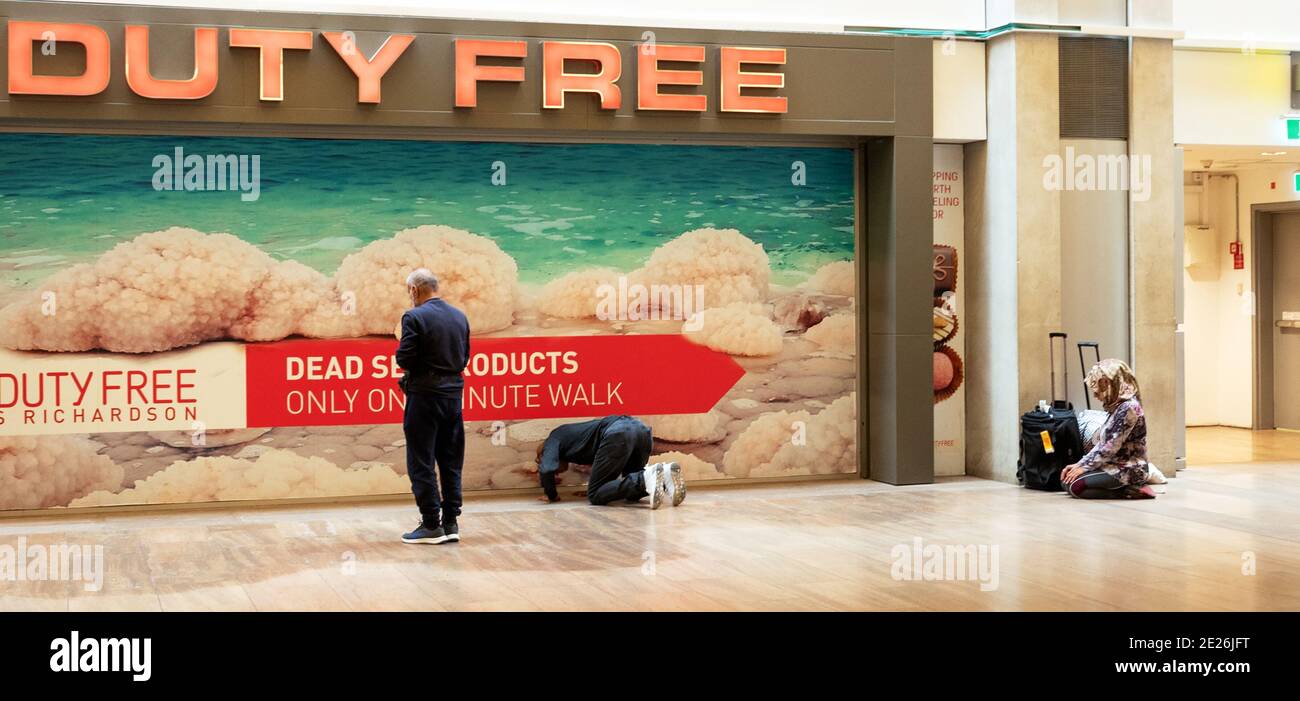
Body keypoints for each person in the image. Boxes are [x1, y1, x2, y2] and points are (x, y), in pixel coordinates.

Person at [395, 268, 471, 544]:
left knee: (421, 460)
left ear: (415, 290)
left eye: (409, 291)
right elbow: (464, 358)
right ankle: (451, 523)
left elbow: (405, 358)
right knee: (451, 460)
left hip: (425, 396)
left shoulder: (414, 317)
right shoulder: (459, 316)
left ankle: (430, 524)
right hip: (453, 395)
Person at [534, 416, 686, 509]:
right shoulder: (574, 442)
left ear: (545, 453)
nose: (557, 473)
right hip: (641, 431)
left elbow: (547, 468)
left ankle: (647, 476)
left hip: (619, 432)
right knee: (632, 495)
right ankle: (665, 475)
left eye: (541, 459)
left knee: (594, 495)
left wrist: (551, 495)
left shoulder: (553, 438)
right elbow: (607, 472)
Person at [1060, 359, 1157, 500]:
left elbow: (1109, 447)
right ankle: (1126, 489)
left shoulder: (1129, 408)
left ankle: (1130, 490)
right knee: (1066, 481)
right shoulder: (1117, 406)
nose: (1095, 394)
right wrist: (1079, 464)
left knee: (1076, 486)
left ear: (1111, 384)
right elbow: (1102, 444)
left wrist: (1084, 467)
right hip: (1110, 465)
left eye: (1100, 387)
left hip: (1129, 469)